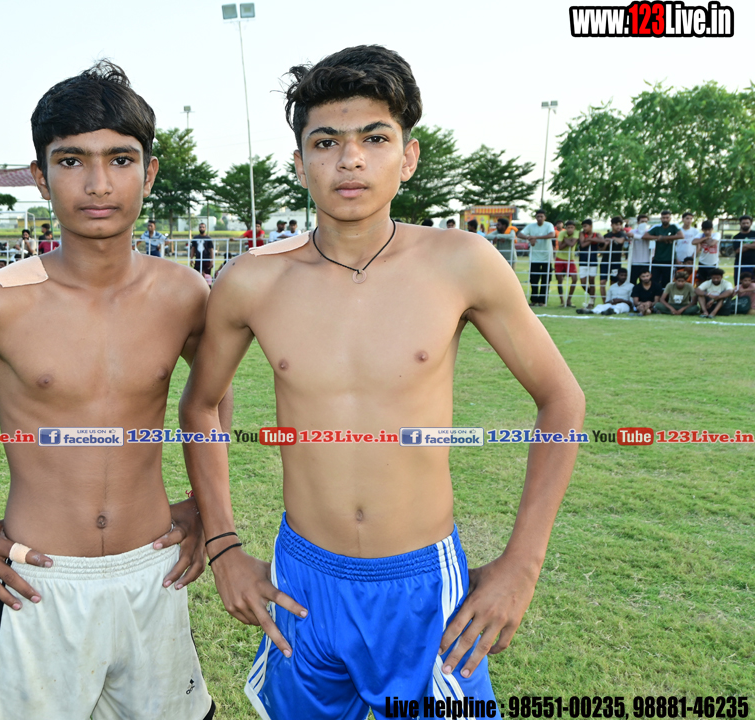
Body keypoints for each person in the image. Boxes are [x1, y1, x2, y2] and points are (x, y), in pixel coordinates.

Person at [179, 45, 583, 719]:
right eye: (326, 142)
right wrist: (223, 546)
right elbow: (201, 405)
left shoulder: (462, 262)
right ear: (299, 162)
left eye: (374, 138)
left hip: (422, 582)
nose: (351, 160)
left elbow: (561, 398)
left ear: (409, 156)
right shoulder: (252, 281)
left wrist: (522, 564)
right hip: (303, 578)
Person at [0, 61, 226, 720]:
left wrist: (209, 503)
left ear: (148, 174)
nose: (97, 183)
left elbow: (209, 398)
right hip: (37, 582)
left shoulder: (184, 293)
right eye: (71, 160)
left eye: (120, 160)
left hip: (154, 572)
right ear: (40, 176)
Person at [518, 209, 556, 306]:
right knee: (534, 279)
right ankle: (534, 300)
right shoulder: (531, 226)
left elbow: (552, 234)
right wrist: (529, 238)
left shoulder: (549, 225)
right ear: (536, 217)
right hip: (534, 257)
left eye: (541, 216)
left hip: (547, 257)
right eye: (538, 216)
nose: (539, 218)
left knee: (545, 280)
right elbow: (520, 234)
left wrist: (535, 237)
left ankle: (543, 301)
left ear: (545, 217)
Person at [647, 211, 682, 291]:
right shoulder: (657, 228)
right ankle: (655, 296)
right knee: (654, 280)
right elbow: (645, 236)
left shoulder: (673, 227)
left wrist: (665, 238)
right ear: (661, 218)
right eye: (663, 218)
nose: (665, 219)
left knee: (667, 281)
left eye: (667, 217)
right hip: (657, 258)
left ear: (670, 218)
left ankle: (665, 297)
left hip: (669, 259)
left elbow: (681, 235)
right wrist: (657, 238)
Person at [576, 219, 601, 308]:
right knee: (583, 282)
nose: (584, 228)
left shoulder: (597, 234)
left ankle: (591, 301)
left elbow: (602, 240)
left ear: (591, 226)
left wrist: (590, 239)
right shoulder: (582, 234)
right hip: (583, 260)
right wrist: (593, 240)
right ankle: (593, 295)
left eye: (585, 226)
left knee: (591, 281)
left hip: (593, 260)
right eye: (583, 226)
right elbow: (582, 244)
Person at [554, 220, 579, 308]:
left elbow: (572, 244)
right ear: (566, 228)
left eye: (572, 227)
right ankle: (562, 300)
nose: (570, 229)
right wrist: (569, 241)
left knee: (574, 279)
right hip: (560, 258)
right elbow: (560, 247)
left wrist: (565, 240)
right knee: (559, 279)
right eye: (568, 227)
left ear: (574, 228)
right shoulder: (562, 233)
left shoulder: (576, 233)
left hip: (570, 259)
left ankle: (569, 300)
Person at [600, 216, 626, 290]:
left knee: (614, 282)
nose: (619, 226)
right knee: (602, 282)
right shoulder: (606, 235)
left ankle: (612, 297)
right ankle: (604, 298)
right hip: (605, 261)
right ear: (612, 225)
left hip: (616, 262)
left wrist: (613, 239)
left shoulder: (622, 234)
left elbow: (621, 241)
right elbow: (601, 250)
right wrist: (606, 244)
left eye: (620, 224)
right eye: (617, 224)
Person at [731, 215, 755, 286]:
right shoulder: (736, 237)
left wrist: (744, 245)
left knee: (753, 284)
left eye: (747, 223)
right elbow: (737, 250)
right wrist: (751, 245)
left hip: (753, 263)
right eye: (743, 223)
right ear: (740, 224)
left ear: (751, 223)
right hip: (740, 263)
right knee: (739, 284)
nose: (745, 225)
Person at [628, 213, 652, 280]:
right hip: (634, 261)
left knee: (645, 280)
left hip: (646, 260)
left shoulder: (649, 232)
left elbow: (648, 237)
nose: (644, 223)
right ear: (638, 222)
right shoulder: (632, 231)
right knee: (632, 280)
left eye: (645, 221)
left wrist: (635, 236)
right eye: (642, 221)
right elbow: (628, 237)